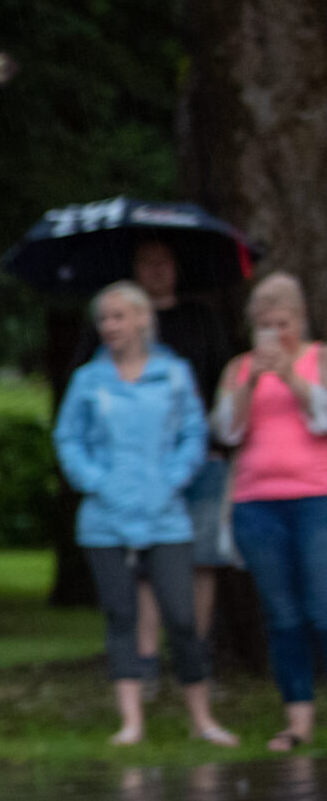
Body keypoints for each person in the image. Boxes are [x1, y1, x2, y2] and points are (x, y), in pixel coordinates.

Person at [51, 281, 235, 748]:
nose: (109, 326)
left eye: (117, 317)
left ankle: (202, 719)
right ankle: (131, 722)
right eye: (104, 319)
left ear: (140, 320)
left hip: (164, 513)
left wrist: (171, 478)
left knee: (181, 616)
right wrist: (96, 481)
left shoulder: (174, 374)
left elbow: (194, 434)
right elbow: (68, 438)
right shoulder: (87, 381)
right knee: (120, 617)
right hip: (104, 517)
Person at [212, 272, 327, 750]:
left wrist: (289, 378)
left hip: (316, 498)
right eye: (264, 323)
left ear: (299, 320)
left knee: (322, 610)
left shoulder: (318, 359)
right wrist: (251, 383)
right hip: (256, 504)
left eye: (282, 322)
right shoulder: (239, 368)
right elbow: (226, 432)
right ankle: (297, 720)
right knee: (283, 616)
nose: (274, 332)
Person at [129, 236, 239, 663]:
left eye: (163, 262)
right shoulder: (123, 325)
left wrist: (212, 443)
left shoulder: (200, 318)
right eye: (146, 261)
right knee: (144, 567)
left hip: (201, 459)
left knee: (201, 561)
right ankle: (146, 662)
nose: (155, 270)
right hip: (143, 463)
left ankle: (194, 659)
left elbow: (221, 384)